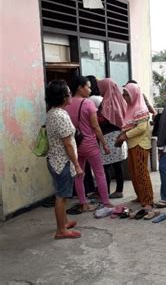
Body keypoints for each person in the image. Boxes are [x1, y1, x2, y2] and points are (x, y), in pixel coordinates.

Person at [66, 75, 112, 211]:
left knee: (79, 174)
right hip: (90, 144)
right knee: (99, 173)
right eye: (88, 87)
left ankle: (83, 203)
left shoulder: (67, 103)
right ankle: (105, 202)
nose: (90, 90)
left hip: (75, 144)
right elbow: (96, 127)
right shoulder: (88, 103)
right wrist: (104, 144)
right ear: (80, 88)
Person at [45, 80, 83, 239]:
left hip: (54, 160)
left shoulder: (52, 112)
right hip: (62, 162)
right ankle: (61, 230)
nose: (71, 96)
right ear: (62, 97)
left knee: (61, 194)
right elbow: (68, 144)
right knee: (62, 196)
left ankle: (64, 222)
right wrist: (77, 165)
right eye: (68, 93)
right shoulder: (60, 116)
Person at [115, 82, 154, 209]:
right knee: (134, 173)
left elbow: (141, 128)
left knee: (142, 173)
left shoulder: (140, 109)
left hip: (140, 144)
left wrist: (125, 136)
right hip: (132, 144)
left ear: (134, 94)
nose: (124, 97)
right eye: (124, 94)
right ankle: (140, 196)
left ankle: (148, 200)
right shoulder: (130, 108)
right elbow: (130, 125)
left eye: (127, 94)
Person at [97, 78, 128, 199]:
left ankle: (105, 192)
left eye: (101, 87)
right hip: (119, 136)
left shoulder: (106, 102)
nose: (99, 89)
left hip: (108, 137)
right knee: (117, 165)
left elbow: (102, 120)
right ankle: (119, 190)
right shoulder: (121, 100)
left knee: (106, 166)